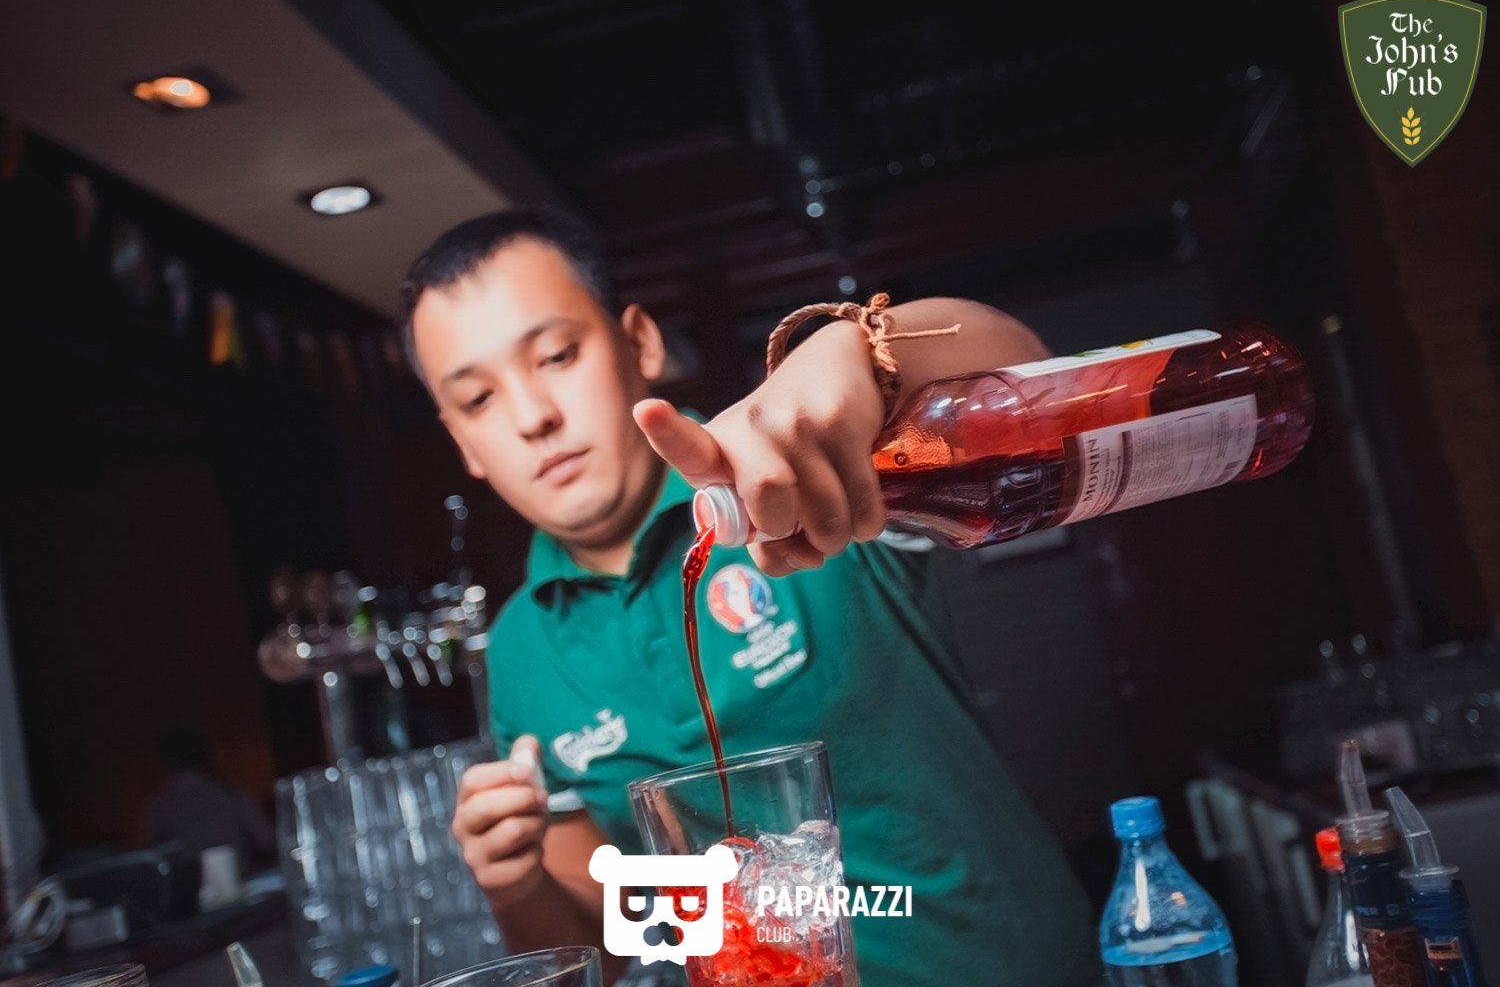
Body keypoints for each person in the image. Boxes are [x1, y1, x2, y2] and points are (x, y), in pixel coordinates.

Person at [401, 206, 1098, 986]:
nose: (534, 417)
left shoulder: (787, 470)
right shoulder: (521, 651)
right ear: (461, 442)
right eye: (479, 399)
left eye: (558, 355)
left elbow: (1039, 383)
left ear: (641, 344)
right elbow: (607, 943)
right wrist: (515, 882)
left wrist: (854, 350)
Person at [140, 726, 275, 875]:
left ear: (165, 762)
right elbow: (266, 839)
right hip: (237, 880)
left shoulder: (160, 804)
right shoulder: (229, 792)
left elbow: (148, 857)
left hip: (191, 886)